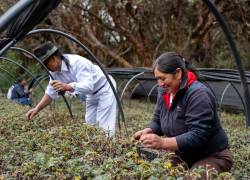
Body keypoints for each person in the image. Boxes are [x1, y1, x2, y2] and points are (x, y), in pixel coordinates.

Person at [133, 52, 232, 173]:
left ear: (178, 73)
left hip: (212, 156)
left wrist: (163, 143)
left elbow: (198, 135)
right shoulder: (164, 91)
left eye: (163, 78)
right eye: (157, 79)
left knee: (194, 177)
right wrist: (149, 130)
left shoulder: (198, 94)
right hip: (184, 155)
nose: (160, 84)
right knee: (159, 172)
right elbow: (158, 119)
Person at [26, 42, 117, 135]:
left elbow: (89, 86)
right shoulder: (54, 72)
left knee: (105, 126)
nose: (45, 68)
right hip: (92, 93)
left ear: (54, 59)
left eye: (45, 64)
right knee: (90, 124)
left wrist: (67, 86)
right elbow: (50, 93)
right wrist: (37, 109)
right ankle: (97, 147)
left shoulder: (77, 63)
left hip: (105, 87)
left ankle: (109, 146)